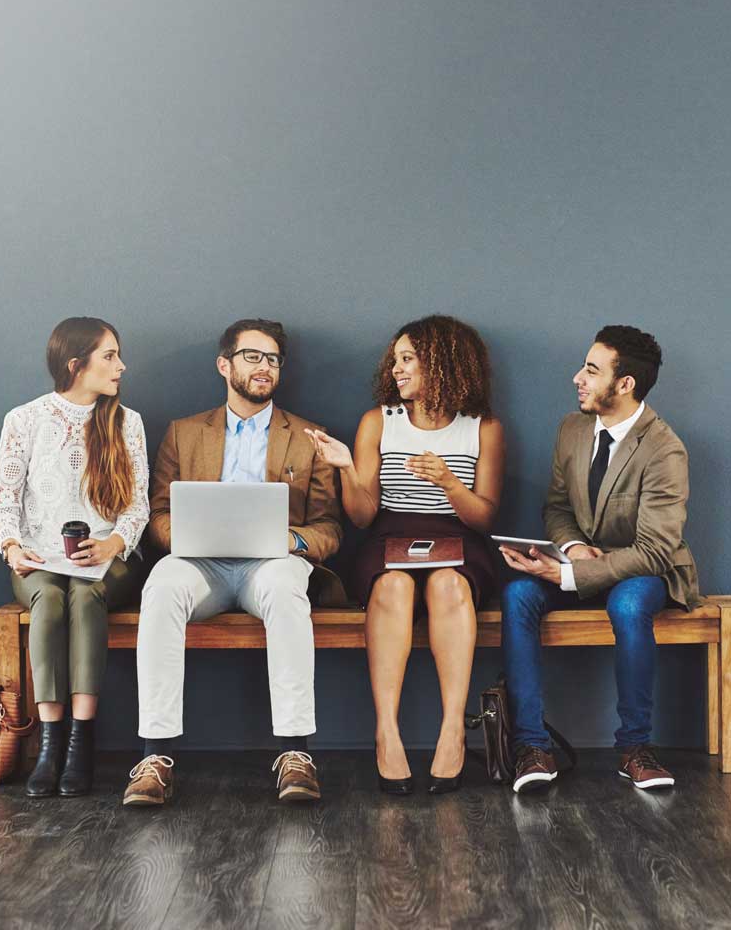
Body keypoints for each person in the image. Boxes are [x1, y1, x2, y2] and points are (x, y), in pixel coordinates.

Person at [122, 319, 342, 807]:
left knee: (288, 588)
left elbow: (329, 528)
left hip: (272, 564)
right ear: (225, 365)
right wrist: (183, 535)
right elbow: (158, 513)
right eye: (253, 357)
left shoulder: (310, 436)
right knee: (160, 584)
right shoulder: (183, 433)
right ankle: (154, 756)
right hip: (203, 565)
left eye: (273, 360)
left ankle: (295, 753)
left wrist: (292, 541)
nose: (265, 367)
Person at [499, 325, 700, 793]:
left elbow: (654, 550)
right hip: (580, 561)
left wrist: (572, 573)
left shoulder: (665, 449)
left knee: (628, 607)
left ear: (625, 384)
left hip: (646, 570)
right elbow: (557, 507)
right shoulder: (572, 429)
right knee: (518, 595)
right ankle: (531, 747)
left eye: (592, 370)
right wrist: (569, 548)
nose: (577, 378)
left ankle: (635, 749)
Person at [309, 315, 504, 794]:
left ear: (445, 362)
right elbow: (361, 515)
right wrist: (347, 470)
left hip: (460, 538)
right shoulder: (379, 421)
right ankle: (387, 733)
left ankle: (453, 729)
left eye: (409, 358)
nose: (397, 369)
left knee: (449, 585)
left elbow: (484, 518)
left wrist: (448, 482)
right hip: (388, 536)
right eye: (395, 359)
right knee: (393, 586)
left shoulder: (485, 428)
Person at [0, 317, 149, 797]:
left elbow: (137, 505)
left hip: (110, 557)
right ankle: (49, 742)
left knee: (85, 595)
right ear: (76, 365)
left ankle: (81, 739)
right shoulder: (24, 420)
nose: (121, 366)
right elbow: (3, 503)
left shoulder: (126, 422)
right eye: (109, 356)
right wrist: (13, 547)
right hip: (39, 558)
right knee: (51, 601)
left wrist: (113, 543)